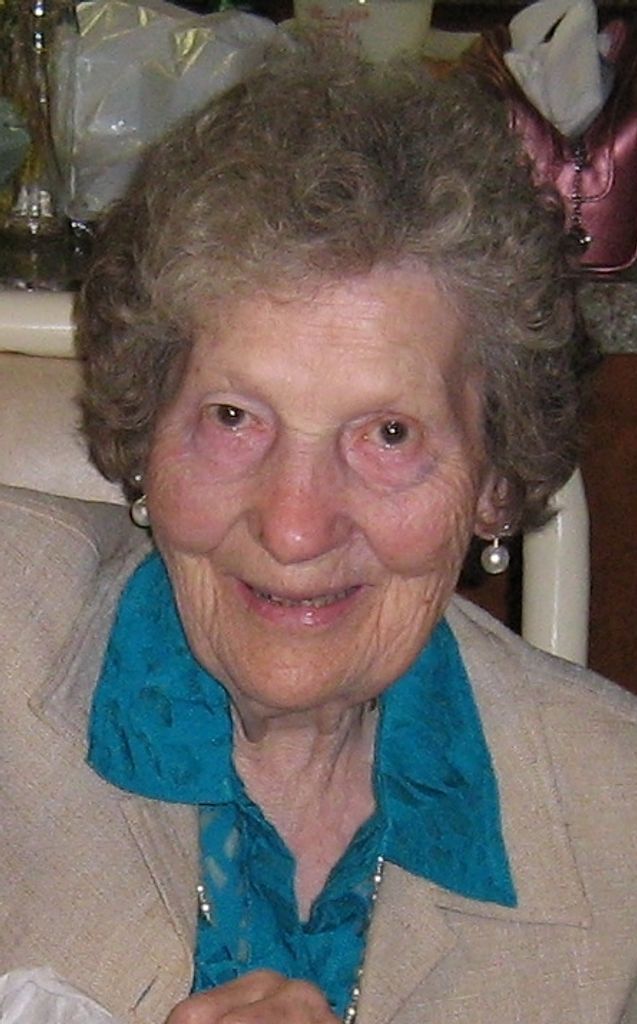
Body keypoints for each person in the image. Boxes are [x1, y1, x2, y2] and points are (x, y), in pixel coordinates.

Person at [2, 37, 637, 1024]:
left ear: (493, 482)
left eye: (388, 435)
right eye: (232, 418)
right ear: (145, 433)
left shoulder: (614, 822)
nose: (295, 528)